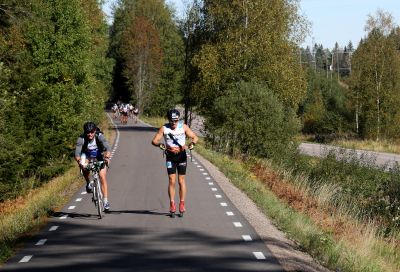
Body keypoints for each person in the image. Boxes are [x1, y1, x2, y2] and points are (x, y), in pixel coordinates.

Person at [151, 109, 198, 217]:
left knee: (181, 181)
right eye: (172, 121)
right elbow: (154, 141)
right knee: (171, 180)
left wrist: (192, 144)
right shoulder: (164, 128)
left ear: (178, 119)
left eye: (176, 120)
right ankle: (172, 203)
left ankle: (182, 203)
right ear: (168, 120)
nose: (174, 123)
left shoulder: (183, 127)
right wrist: (159, 145)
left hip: (181, 156)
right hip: (170, 156)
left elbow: (195, 137)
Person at [75, 122, 112, 212]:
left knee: (102, 177)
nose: (90, 134)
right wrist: (80, 162)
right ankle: (88, 183)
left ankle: (105, 201)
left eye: (92, 132)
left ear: (95, 131)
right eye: (88, 132)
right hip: (86, 155)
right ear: (85, 132)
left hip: (98, 154)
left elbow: (107, 148)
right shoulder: (81, 139)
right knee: (83, 165)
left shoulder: (99, 136)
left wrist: (107, 157)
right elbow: (77, 153)